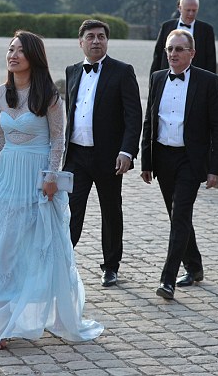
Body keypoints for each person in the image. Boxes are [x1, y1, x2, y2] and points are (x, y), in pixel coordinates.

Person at [0, 30, 103, 350]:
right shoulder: (0, 93)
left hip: (37, 180)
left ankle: (47, 313)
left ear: (33, 56)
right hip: (7, 178)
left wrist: (50, 177)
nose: (13, 55)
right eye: (10, 49)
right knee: (3, 251)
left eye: (20, 50)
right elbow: (0, 139)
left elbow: (58, 139)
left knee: (42, 249)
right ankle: (1, 325)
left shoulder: (48, 95)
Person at [140, 29, 218, 300]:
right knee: (177, 216)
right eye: (170, 49)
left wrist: (216, 168)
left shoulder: (208, 81)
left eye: (179, 49)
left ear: (192, 53)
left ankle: (167, 280)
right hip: (163, 158)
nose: (173, 54)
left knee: (179, 216)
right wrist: (146, 161)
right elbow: (149, 121)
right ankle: (194, 265)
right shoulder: (157, 78)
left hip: (191, 159)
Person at [64, 19, 142, 287]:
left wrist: (127, 151)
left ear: (107, 41)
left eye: (101, 36)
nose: (96, 41)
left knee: (111, 211)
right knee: (70, 211)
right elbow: (70, 112)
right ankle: (62, 261)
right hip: (76, 156)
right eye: (90, 36)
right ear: (81, 42)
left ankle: (111, 266)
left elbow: (133, 116)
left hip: (109, 157)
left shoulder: (122, 71)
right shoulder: (72, 71)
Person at [150, 0, 217, 75]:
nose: (191, 14)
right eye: (188, 10)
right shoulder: (166, 27)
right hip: (168, 76)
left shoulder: (206, 30)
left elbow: (211, 59)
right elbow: (158, 55)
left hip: (197, 78)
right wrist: (153, 79)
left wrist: (210, 81)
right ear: (180, 8)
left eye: (194, 10)